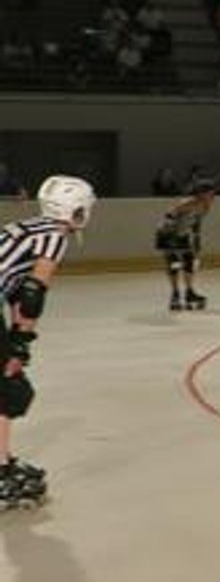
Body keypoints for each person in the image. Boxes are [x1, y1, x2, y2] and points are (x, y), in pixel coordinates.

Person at [0, 175, 96, 509]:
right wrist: (20, 344)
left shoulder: (29, 227)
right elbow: (32, 294)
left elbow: (14, 288)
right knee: (9, 389)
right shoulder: (55, 236)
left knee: (9, 385)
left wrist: (16, 335)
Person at [155, 179, 216, 311]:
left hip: (182, 234)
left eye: (212, 193)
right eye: (210, 193)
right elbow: (169, 215)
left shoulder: (207, 206)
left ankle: (189, 292)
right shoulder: (189, 203)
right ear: (201, 193)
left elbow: (196, 223)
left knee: (189, 260)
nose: (212, 196)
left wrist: (197, 239)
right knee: (174, 263)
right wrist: (169, 235)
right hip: (168, 233)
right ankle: (175, 294)